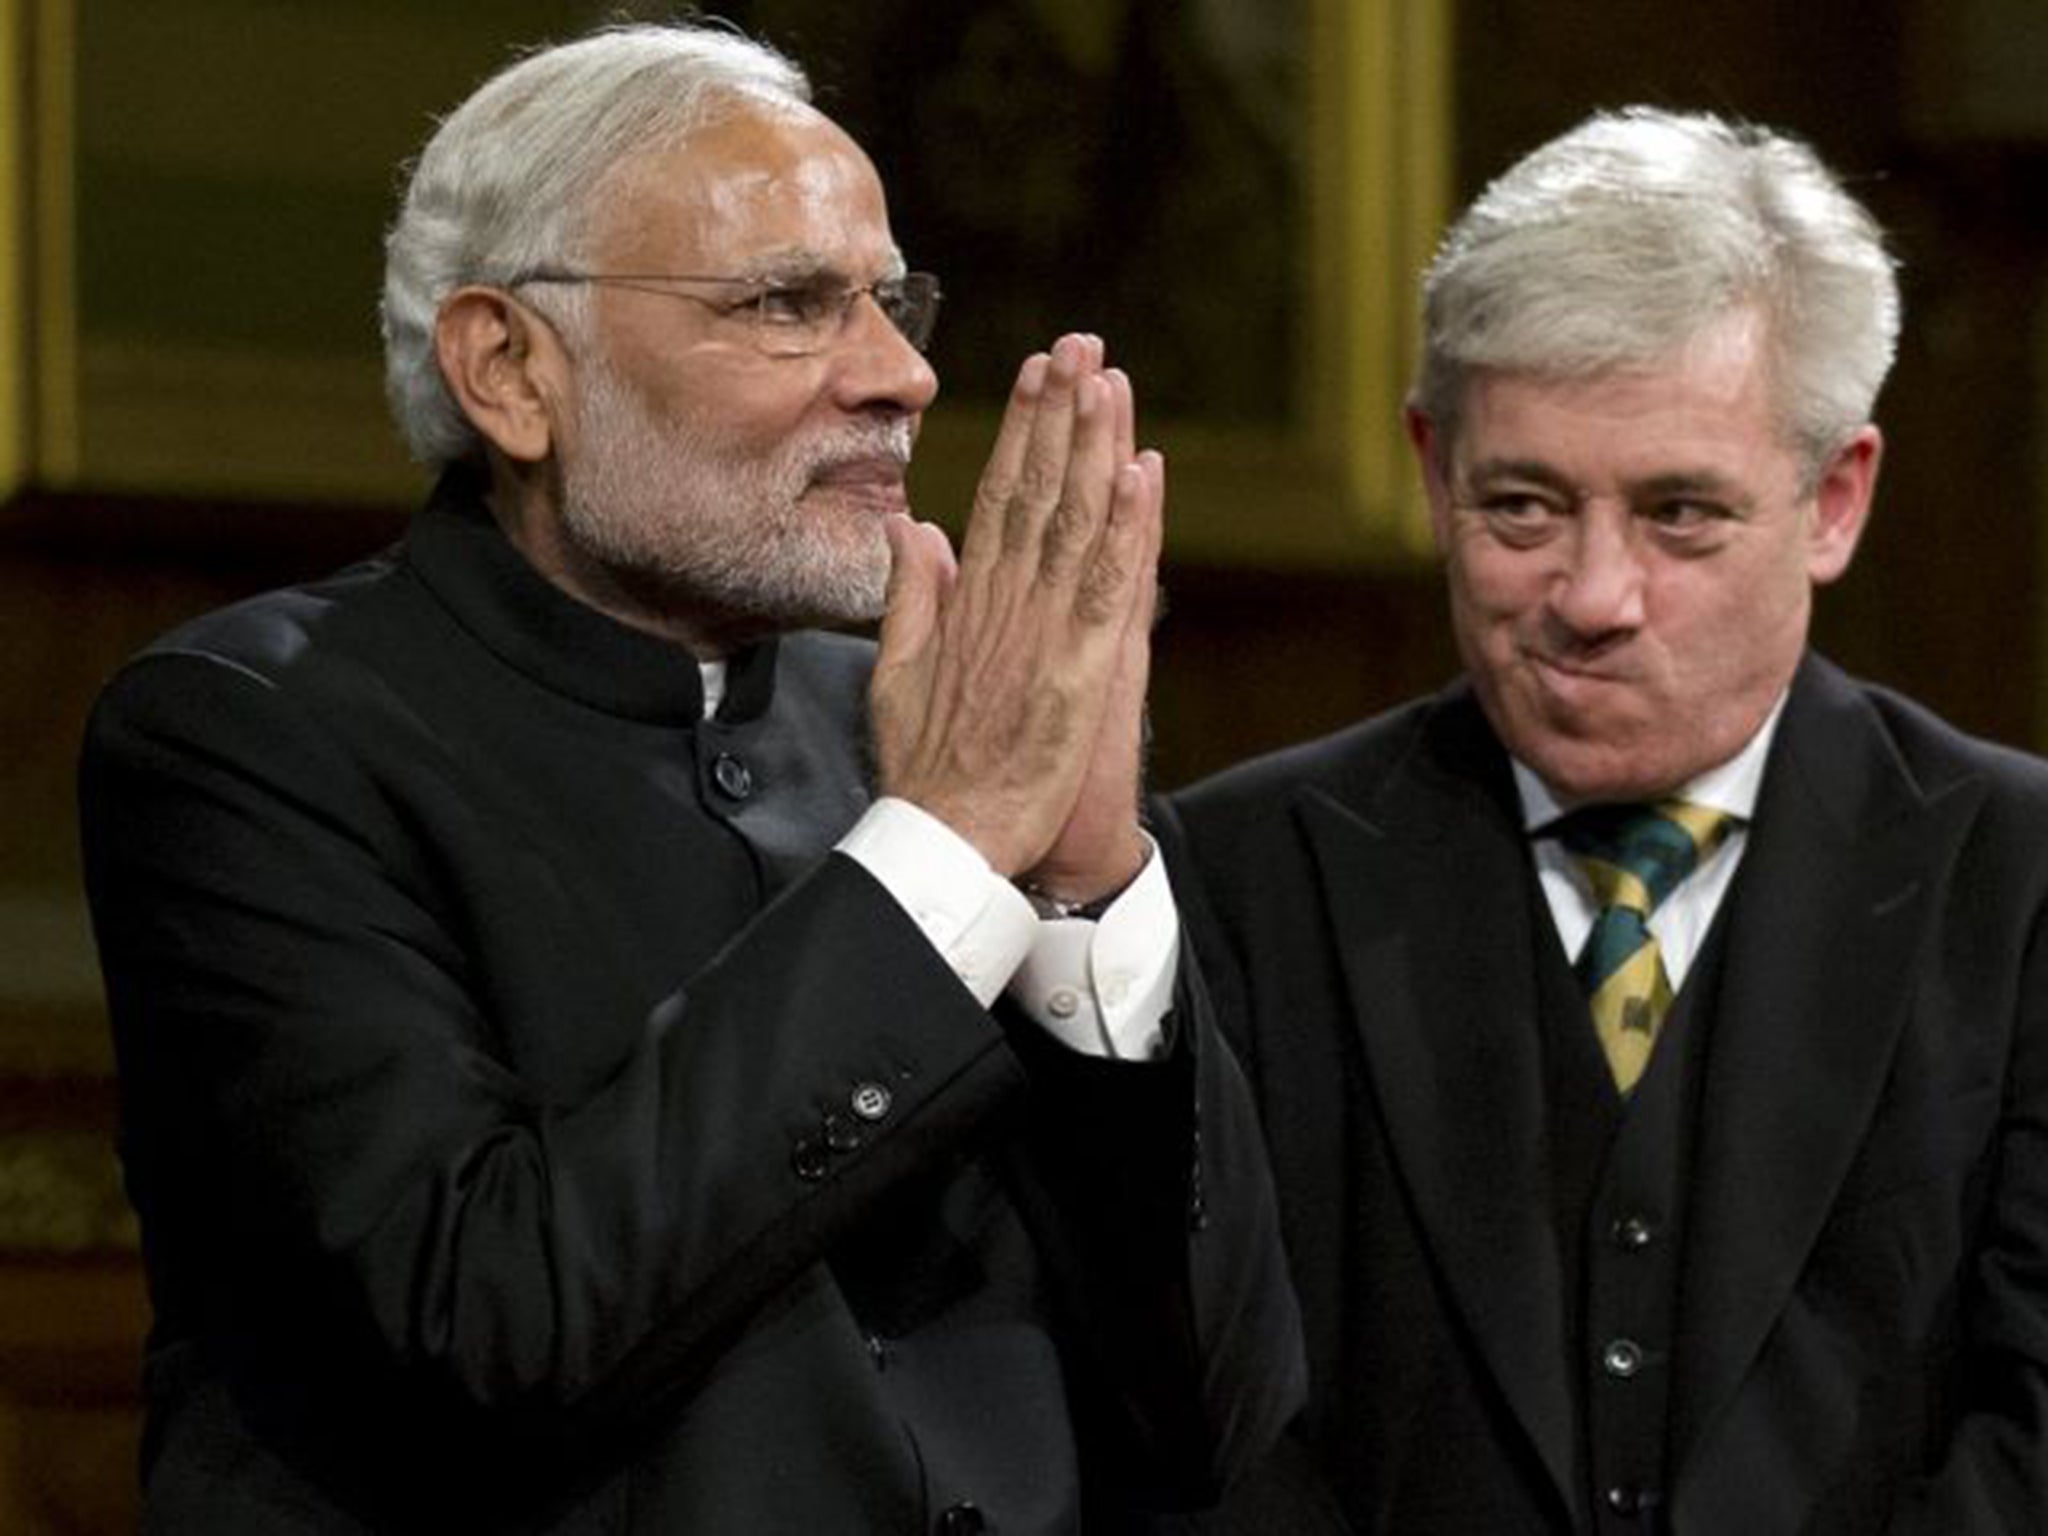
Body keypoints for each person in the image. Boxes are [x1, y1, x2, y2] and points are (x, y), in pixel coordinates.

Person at [78, 21, 1302, 1534]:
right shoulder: (251, 735)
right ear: (510, 369)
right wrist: (948, 849)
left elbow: (1219, 1417)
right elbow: (486, 1328)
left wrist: (1086, 886)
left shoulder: (939, 723)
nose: (904, 375)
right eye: (789, 304)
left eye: (891, 300)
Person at [1155, 107, 2048, 1532]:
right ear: (1433, 469)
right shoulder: (1239, 881)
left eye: (1681, 514)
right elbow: (1206, 1429)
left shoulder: (2021, 880)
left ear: (1835, 500)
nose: (1591, 596)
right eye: (1521, 507)